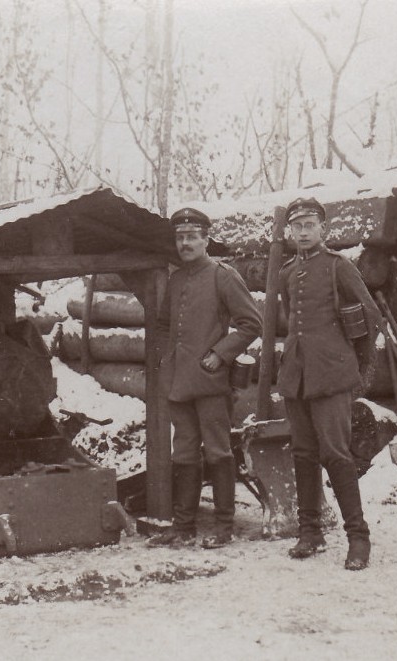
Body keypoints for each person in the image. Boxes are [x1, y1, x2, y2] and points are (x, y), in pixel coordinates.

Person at [277, 196, 381, 570]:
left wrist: (356, 366)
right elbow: (293, 321)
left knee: (336, 454)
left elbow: (370, 316)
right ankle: (311, 532)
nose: (303, 232)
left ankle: (358, 539)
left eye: (309, 225)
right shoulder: (288, 272)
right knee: (303, 453)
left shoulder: (339, 267)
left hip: (332, 375)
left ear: (323, 229)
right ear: (290, 231)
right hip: (298, 377)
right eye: (297, 226)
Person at [149, 207, 262, 549]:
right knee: (183, 451)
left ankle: (224, 527)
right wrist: (165, 359)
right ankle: (183, 527)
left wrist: (219, 354)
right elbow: (165, 324)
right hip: (179, 382)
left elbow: (251, 323)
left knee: (217, 451)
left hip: (211, 381)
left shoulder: (222, 275)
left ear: (205, 240)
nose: (185, 244)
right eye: (180, 238)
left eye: (191, 237)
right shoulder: (177, 278)